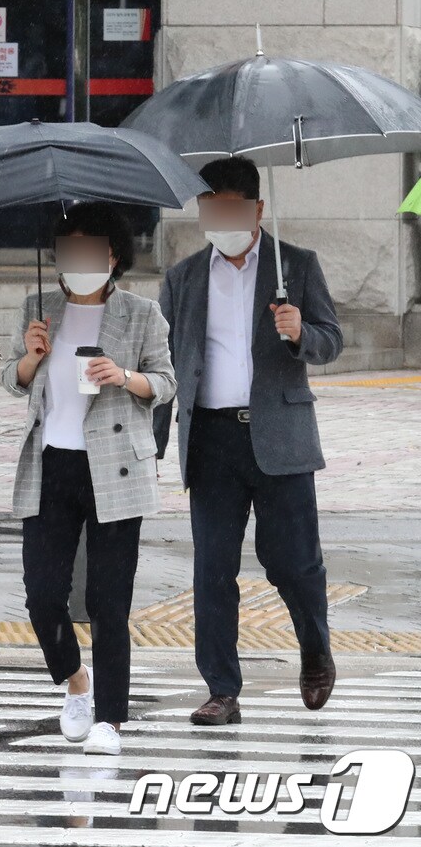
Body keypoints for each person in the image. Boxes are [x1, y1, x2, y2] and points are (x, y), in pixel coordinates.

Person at [155, 158, 342, 725]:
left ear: (257, 209)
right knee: (212, 569)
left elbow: (331, 340)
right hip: (210, 438)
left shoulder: (297, 267)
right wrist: (152, 447)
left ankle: (314, 647)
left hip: (280, 437)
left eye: (232, 208)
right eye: (211, 208)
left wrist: (298, 333)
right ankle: (221, 689)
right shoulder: (183, 278)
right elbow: (164, 366)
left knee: (292, 563)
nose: (221, 218)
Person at [3, 202, 176, 757]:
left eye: (89, 249)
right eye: (67, 249)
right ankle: (75, 681)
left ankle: (110, 718)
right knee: (42, 593)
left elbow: (167, 383)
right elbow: (13, 379)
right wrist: (31, 359)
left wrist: (123, 377)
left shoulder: (142, 313)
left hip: (115, 466)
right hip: (53, 463)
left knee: (108, 599)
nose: (76, 260)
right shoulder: (39, 307)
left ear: (112, 255)